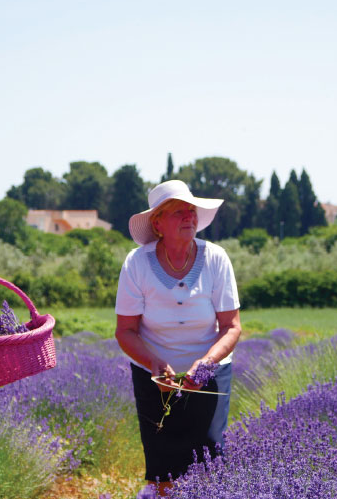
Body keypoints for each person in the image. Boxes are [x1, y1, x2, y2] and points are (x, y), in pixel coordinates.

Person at [115, 179, 242, 495]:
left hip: (210, 368)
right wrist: (154, 362)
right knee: (163, 460)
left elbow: (231, 326)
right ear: (157, 223)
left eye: (191, 210)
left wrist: (206, 364)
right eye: (178, 212)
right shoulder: (137, 263)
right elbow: (126, 331)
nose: (189, 216)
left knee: (210, 452)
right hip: (154, 372)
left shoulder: (216, 258)